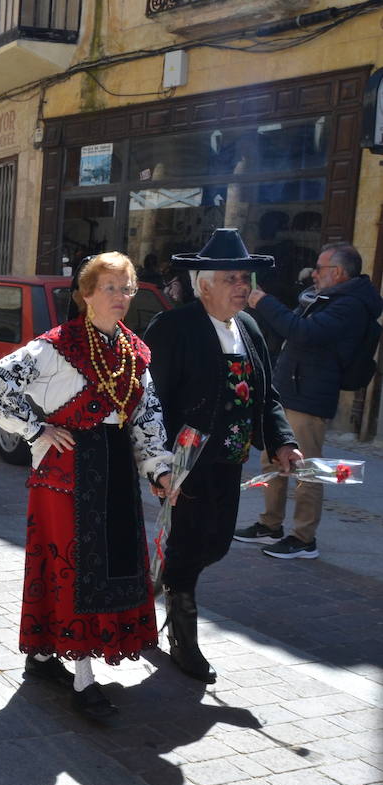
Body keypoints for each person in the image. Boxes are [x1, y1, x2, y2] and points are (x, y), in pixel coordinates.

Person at [0, 252, 174, 719]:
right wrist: (35, 429)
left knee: (109, 566)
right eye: (110, 287)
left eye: (127, 288)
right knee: (74, 571)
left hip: (113, 471)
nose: (120, 297)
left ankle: (44, 655)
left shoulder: (134, 352)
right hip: (65, 476)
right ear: (85, 294)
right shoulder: (55, 345)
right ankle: (83, 680)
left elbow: (146, 417)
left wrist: (160, 469)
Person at [144, 229, 300, 685]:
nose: (242, 286)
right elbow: (151, 403)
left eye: (245, 278)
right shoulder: (174, 328)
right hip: (184, 466)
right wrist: (160, 467)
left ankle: (154, 586)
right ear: (204, 283)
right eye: (232, 277)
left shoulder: (249, 327)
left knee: (216, 543)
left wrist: (282, 441)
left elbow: (266, 395)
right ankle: (183, 638)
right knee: (191, 545)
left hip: (230, 461)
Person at [237, 242, 383, 560]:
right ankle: (270, 524)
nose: (313, 274)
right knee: (273, 461)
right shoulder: (329, 298)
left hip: (311, 396)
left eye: (320, 268)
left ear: (339, 273)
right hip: (290, 390)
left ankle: (304, 538)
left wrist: (263, 301)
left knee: (308, 470)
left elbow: (303, 331)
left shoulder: (351, 305)